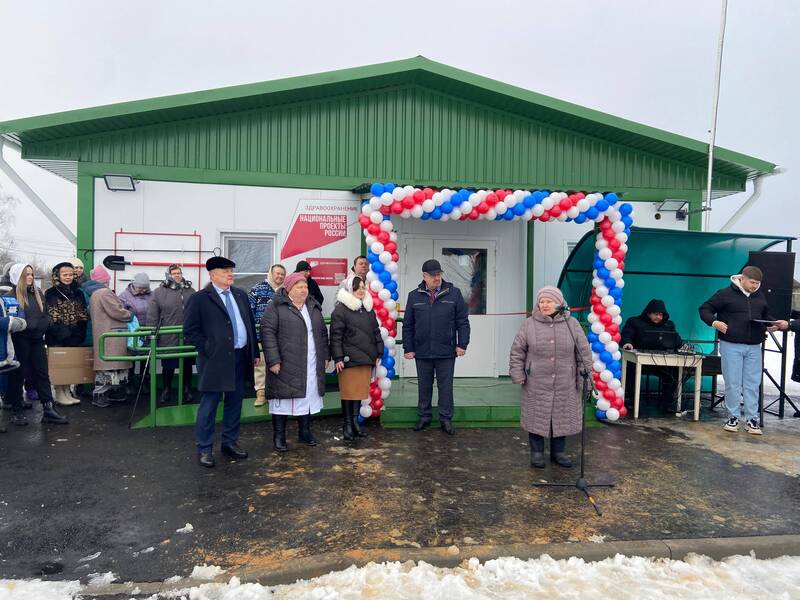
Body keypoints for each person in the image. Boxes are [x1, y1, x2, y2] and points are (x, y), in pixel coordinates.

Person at [183, 256, 259, 468]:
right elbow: (190, 331)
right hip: (214, 361)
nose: (230, 274)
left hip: (239, 357)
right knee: (209, 406)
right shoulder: (200, 298)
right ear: (212, 275)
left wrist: (254, 351)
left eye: (231, 270)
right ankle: (204, 448)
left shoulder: (240, 295)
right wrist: (208, 348)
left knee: (235, 403)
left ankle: (229, 442)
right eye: (225, 271)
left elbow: (249, 324)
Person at [509, 286, 593, 468]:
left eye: (549, 301)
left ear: (559, 303)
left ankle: (558, 452)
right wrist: (518, 373)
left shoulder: (572, 325)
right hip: (536, 381)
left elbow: (583, 352)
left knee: (561, 416)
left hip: (565, 380)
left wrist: (583, 378)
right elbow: (517, 351)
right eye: (542, 301)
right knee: (536, 416)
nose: (545, 305)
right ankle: (537, 453)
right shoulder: (529, 324)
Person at [699, 265, 787, 435]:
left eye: (758, 283)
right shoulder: (725, 294)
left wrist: (773, 324)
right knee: (732, 382)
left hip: (754, 346)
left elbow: (764, 316)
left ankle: (751, 419)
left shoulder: (760, 296)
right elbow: (704, 309)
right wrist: (714, 322)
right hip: (731, 344)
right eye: (752, 282)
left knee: (753, 384)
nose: (755, 286)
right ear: (742, 279)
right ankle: (732, 417)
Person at [261, 272, 329, 452]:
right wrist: (273, 360)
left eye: (305, 286)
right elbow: (267, 333)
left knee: (308, 397)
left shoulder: (313, 306)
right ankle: (279, 436)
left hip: (311, 362)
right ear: (289, 289)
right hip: (285, 362)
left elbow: (322, 333)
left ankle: (304, 432)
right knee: (282, 400)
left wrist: (325, 356)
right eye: (299, 287)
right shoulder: (276, 306)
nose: (304, 290)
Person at [402, 259, 470, 435]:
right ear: (424, 276)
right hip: (422, 350)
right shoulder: (414, 295)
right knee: (424, 386)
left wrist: (462, 343)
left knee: (445, 386)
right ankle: (424, 416)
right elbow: (408, 325)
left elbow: (462, 322)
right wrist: (408, 348)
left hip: (446, 350)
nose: (437, 278)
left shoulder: (453, 293)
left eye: (439, 274)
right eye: (433, 275)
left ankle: (446, 419)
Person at [3, 264, 68, 425]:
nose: (30, 277)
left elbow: (45, 314)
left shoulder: (38, 293)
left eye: (32, 274)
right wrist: (30, 326)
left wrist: (45, 324)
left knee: (42, 374)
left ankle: (48, 409)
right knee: (18, 375)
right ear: (18, 277)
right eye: (27, 275)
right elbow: (14, 321)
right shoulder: (10, 296)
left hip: (38, 339)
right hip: (20, 340)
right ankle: (17, 410)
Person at [330, 276, 383, 440]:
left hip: (366, 358)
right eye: (357, 288)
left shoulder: (368, 308)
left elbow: (376, 332)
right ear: (349, 290)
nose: (361, 290)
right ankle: (347, 425)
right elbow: (336, 336)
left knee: (359, 393)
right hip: (348, 359)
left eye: (362, 287)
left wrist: (378, 352)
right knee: (348, 394)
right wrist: (338, 357)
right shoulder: (340, 310)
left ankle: (354, 423)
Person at [620, 299, 683, 414]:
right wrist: (627, 343)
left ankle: (668, 403)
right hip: (637, 361)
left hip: (661, 363)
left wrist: (683, 346)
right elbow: (626, 335)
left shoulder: (668, 325)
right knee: (630, 369)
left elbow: (677, 340)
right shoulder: (634, 322)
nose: (658, 317)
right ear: (648, 313)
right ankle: (631, 400)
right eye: (656, 314)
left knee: (673, 372)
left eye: (661, 314)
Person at [147, 265, 196, 404]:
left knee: (187, 364)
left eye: (179, 273)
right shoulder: (159, 292)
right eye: (174, 273)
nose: (177, 275)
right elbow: (152, 315)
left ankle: (187, 390)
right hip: (168, 335)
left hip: (187, 335)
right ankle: (166, 390)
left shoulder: (190, 291)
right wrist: (152, 333)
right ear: (168, 275)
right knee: (168, 365)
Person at [44, 262, 91, 406]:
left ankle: (67, 391)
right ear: (57, 275)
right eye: (65, 275)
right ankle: (59, 393)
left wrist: (78, 334)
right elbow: (53, 317)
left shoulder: (78, 292)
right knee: (60, 366)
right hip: (57, 336)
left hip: (75, 336)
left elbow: (83, 314)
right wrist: (64, 335)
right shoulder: (51, 293)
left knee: (70, 365)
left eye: (71, 274)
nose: (68, 277)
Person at [89, 265, 133, 407]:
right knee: (111, 366)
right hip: (112, 335)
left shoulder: (94, 294)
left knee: (109, 366)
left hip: (104, 333)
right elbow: (116, 311)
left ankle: (109, 393)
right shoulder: (104, 293)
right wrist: (129, 314)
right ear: (105, 280)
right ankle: (100, 395)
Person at [248, 263, 286, 407]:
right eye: (277, 273)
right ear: (270, 273)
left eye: (282, 274)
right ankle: (261, 394)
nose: (280, 276)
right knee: (261, 365)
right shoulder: (257, 289)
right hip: (261, 335)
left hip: (282, 336)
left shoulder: (286, 291)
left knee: (280, 364)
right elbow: (249, 312)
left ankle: (278, 392)